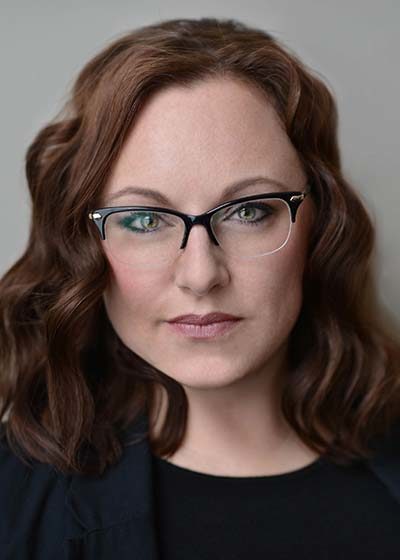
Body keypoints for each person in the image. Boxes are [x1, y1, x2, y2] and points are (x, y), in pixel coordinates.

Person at [1, 16, 400, 560]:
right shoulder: (12, 506)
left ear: (322, 224)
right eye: (144, 220)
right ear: (84, 242)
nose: (200, 275)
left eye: (248, 211)